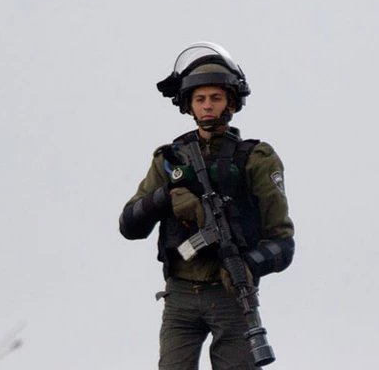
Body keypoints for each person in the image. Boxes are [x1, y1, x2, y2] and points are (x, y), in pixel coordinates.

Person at [118, 42, 297, 370]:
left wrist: (249, 265)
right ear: (188, 104)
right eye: (200, 99)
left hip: (231, 296)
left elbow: (283, 243)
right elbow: (129, 225)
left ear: (231, 101)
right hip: (181, 296)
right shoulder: (171, 159)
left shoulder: (255, 159)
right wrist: (165, 198)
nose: (207, 106)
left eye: (216, 98)